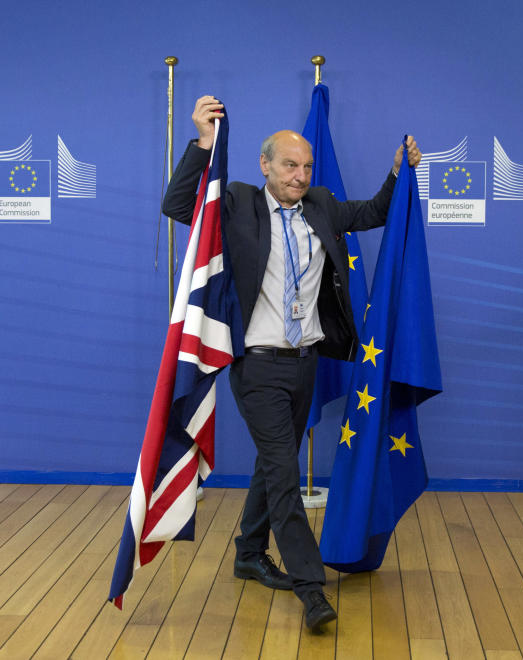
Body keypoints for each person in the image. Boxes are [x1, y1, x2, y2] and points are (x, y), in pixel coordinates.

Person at [162, 95, 421, 631]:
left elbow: (373, 213)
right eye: (289, 165)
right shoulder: (235, 204)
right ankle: (310, 588)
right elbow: (178, 204)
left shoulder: (323, 206)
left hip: (306, 363)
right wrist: (204, 142)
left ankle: (249, 552)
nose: (299, 175)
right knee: (283, 473)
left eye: (305, 167)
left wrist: (397, 174)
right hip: (256, 367)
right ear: (265, 166)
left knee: (270, 461)